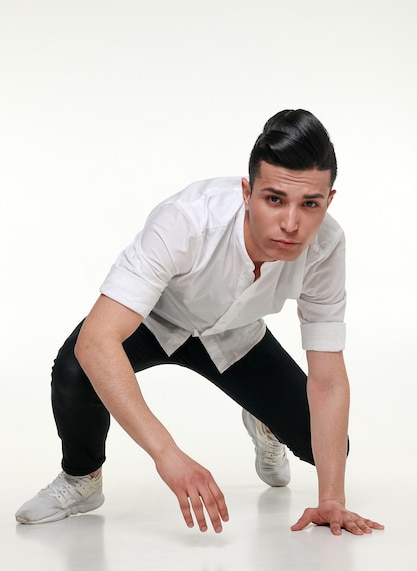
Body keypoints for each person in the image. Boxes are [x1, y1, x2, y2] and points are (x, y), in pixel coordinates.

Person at [16, 109, 384, 536]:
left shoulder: (326, 245)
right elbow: (97, 341)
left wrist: (332, 500)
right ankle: (82, 480)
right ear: (247, 192)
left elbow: (328, 380)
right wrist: (169, 456)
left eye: (310, 204)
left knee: (332, 447)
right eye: (275, 199)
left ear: (329, 201)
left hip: (236, 337)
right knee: (76, 367)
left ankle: (264, 422)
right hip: (156, 319)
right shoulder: (187, 220)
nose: (291, 223)